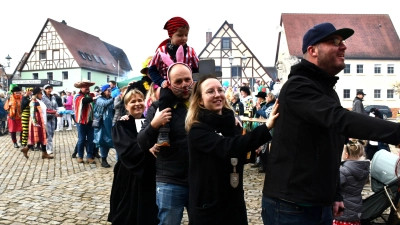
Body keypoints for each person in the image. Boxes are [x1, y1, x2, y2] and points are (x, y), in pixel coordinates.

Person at [261, 22, 400, 225]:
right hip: (290, 206)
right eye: (335, 42)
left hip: (320, 204)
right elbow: (340, 119)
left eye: (343, 42)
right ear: (312, 50)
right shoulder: (297, 87)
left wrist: (335, 193)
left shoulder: (327, 91)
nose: (343, 47)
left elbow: (329, 147)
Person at [185, 75, 279, 225]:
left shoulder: (232, 123)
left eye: (220, 90)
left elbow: (239, 153)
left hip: (233, 203)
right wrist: (266, 127)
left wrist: (251, 154)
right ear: (200, 100)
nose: (217, 94)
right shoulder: (197, 130)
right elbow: (228, 147)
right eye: (210, 91)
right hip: (209, 207)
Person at [137, 62, 193, 225]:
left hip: (198, 178)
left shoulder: (201, 105)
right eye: (178, 81)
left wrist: (234, 118)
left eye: (187, 80)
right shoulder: (158, 107)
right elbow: (142, 142)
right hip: (169, 180)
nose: (184, 85)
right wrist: (154, 124)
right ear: (168, 82)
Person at [108, 88, 159, 225]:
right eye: (132, 101)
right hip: (129, 173)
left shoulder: (151, 122)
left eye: (140, 100)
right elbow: (127, 149)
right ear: (126, 106)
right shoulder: (121, 125)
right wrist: (149, 148)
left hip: (150, 173)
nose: (137, 104)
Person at [147, 16, 199, 147]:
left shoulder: (191, 51)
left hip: (188, 84)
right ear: (171, 35)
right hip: (169, 85)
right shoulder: (161, 51)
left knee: (199, 98)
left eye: (186, 35)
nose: (184, 38)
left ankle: (201, 125)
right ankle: (164, 131)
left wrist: (195, 81)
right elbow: (152, 69)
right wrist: (161, 81)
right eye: (180, 35)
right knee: (164, 99)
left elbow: (198, 69)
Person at [333, 140, 370, 225]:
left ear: (346, 155)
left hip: (343, 210)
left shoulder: (343, 171)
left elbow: (334, 186)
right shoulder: (364, 170)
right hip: (356, 209)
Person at [20, 87, 54, 159]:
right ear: (37, 94)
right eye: (41, 93)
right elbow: (32, 113)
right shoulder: (34, 101)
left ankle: (42, 153)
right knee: (39, 137)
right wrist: (35, 123)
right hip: (38, 122)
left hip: (42, 121)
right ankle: (27, 149)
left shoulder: (39, 101)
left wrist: (53, 112)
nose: (42, 95)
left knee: (42, 138)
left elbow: (44, 110)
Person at [74, 80, 97, 164]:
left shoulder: (92, 95)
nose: (87, 88)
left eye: (88, 86)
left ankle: (89, 156)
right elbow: (83, 101)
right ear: (81, 87)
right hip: (81, 122)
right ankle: (80, 156)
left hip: (90, 121)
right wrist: (92, 98)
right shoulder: (77, 96)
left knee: (91, 140)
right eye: (85, 86)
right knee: (81, 140)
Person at [93, 84, 115, 168]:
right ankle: (103, 160)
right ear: (103, 91)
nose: (109, 92)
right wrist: (114, 98)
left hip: (109, 124)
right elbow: (105, 104)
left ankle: (103, 158)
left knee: (109, 141)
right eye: (108, 90)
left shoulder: (109, 99)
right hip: (101, 124)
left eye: (110, 90)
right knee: (102, 142)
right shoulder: (99, 99)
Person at [41, 84, 57, 155]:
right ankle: (48, 149)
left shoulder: (53, 97)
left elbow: (56, 106)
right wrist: (52, 112)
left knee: (52, 132)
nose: (49, 90)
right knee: (48, 133)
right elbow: (42, 108)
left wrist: (58, 111)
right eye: (48, 89)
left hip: (53, 117)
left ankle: (48, 146)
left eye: (50, 88)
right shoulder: (42, 97)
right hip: (46, 117)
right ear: (44, 89)